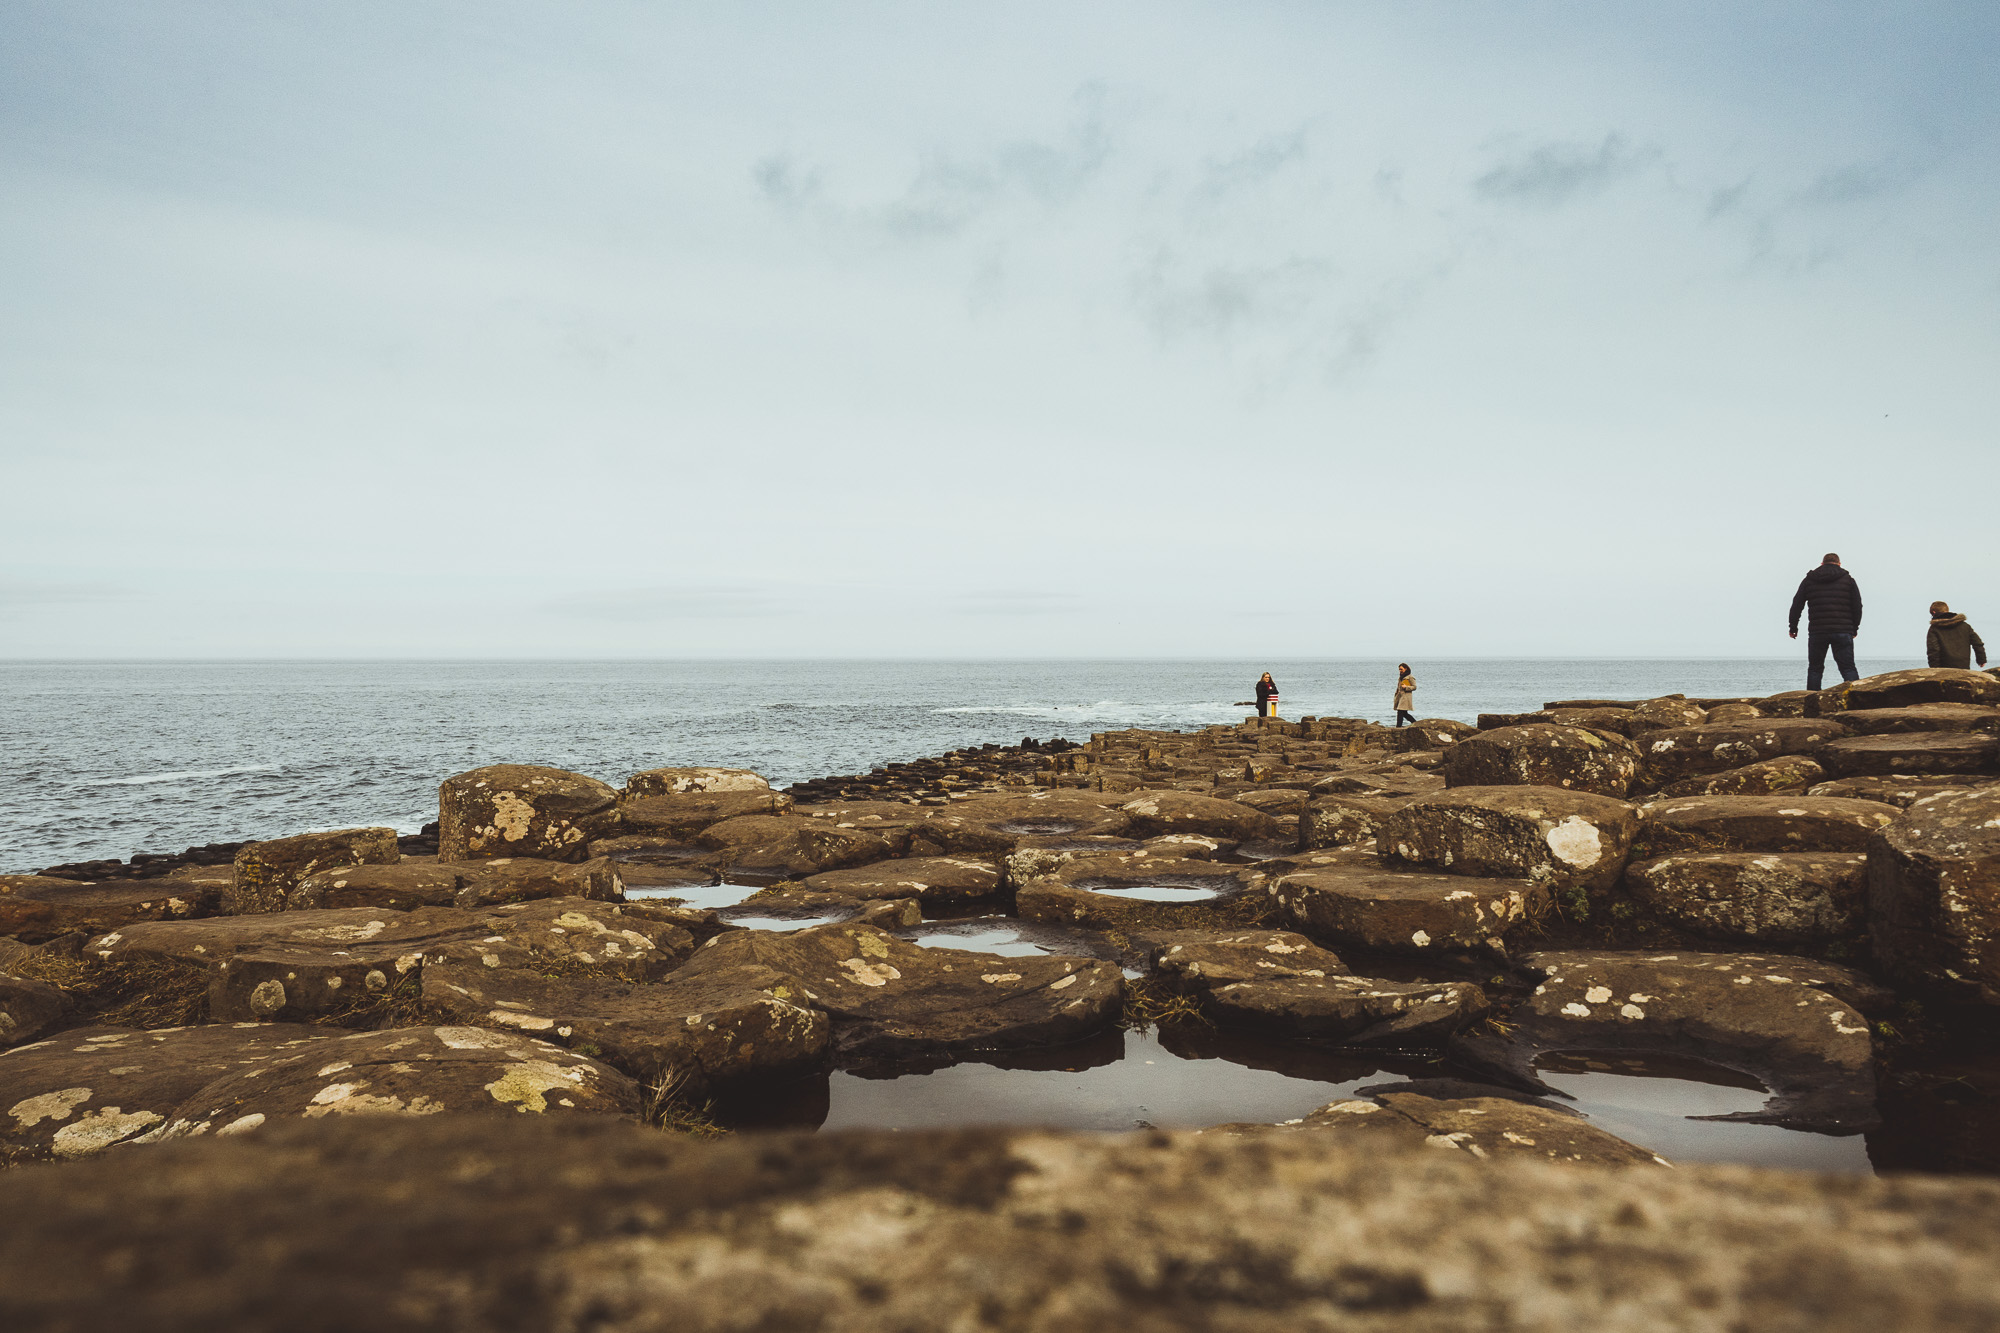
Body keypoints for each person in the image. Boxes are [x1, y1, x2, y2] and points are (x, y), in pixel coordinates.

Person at [1788, 553, 1863, 691]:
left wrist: (1793, 627)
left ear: (1822, 564)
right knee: (1848, 667)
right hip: (1843, 630)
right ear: (1839, 564)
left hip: (1818, 631)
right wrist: (1854, 628)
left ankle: (1812, 704)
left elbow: (1797, 604)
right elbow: (1857, 606)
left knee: (1815, 669)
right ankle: (1857, 699)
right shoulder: (1848, 580)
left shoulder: (1809, 580)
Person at [1927, 601, 1988, 670]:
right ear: (1947, 610)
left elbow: (1933, 650)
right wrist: (1981, 660)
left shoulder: (1934, 628)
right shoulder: (1965, 626)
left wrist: (1935, 668)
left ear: (1934, 612)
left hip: (1943, 668)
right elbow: (1977, 643)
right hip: (1963, 666)